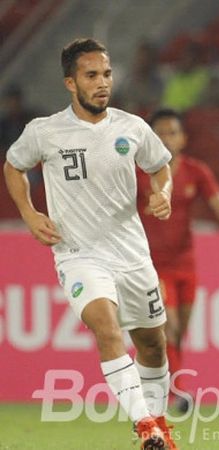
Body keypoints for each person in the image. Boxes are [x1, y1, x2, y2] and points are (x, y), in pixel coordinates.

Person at [3, 38, 178, 450]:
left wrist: (163, 193)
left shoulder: (132, 127)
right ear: (70, 82)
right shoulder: (45, 132)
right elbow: (13, 167)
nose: (102, 83)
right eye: (91, 75)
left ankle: (160, 422)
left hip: (132, 253)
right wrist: (29, 213)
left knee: (153, 343)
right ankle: (145, 428)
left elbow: (161, 167)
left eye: (107, 74)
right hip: (78, 253)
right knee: (106, 326)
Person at [136, 108, 219, 413]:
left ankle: (160, 385)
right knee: (167, 327)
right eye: (159, 132)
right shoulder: (136, 173)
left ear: (183, 138)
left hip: (186, 263)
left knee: (180, 331)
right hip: (151, 264)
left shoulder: (195, 171)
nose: (165, 138)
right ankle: (178, 392)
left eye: (172, 132)